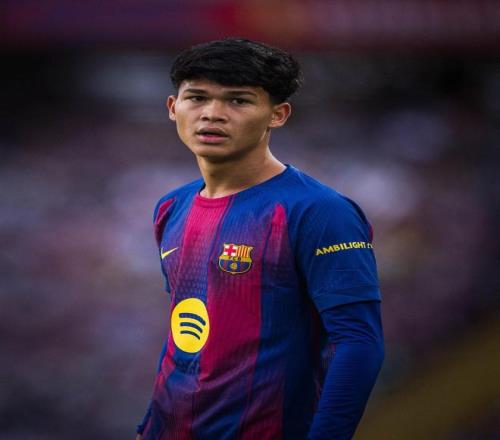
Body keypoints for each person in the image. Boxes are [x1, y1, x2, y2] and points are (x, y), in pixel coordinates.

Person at [136, 38, 384, 440]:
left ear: (277, 115)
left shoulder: (320, 212)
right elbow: (186, 338)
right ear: (172, 107)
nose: (212, 114)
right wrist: (147, 427)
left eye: (238, 101)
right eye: (197, 97)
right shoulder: (171, 207)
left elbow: (359, 342)